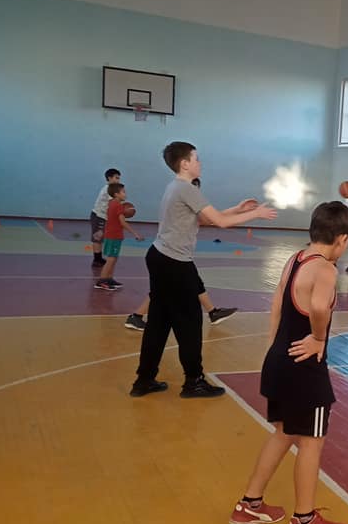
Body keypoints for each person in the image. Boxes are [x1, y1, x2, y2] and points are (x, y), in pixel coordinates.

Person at [228, 201, 348, 524]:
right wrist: (318, 338)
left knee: (284, 432)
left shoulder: (296, 259)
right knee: (312, 442)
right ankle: (304, 521)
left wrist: (273, 348)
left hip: (279, 359)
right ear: (342, 239)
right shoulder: (325, 269)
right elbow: (318, 307)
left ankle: (250, 504)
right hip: (305, 369)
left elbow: (276, 303)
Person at [129, 141, 276, 398]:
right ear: (185, 164)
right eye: (196, 159)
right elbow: (219, 222)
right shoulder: (187, 189)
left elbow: (205, 219)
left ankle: (144, 379)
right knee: (190, 322)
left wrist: (238, 209)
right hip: (174, 263)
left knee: (159, 322)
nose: (200, 163)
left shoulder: (176, 187)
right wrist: (256, 214)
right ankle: (194, 381)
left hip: (159, 257)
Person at [124, 177, 236, 330]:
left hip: (171, 254)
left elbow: (210, 219)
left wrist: (237, 209)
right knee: (171, 289)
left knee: (189, 285)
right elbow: (215, 220)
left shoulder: (182, 199)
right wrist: (252, 213)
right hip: (171, 255)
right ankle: (138, 317)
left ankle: (212, 312)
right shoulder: (184, 200)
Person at [95, 183, 143, 291]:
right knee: (111, 259)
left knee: (113, 258)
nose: (125, 194)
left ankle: (109, 279)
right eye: (123, 192)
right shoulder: (118, 206)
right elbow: (123, 222)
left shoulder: (111, 203)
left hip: (112, 235)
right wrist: (135, 233)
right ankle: (101, 281)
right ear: (116, 194)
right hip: (113, 236)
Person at [89, 168, 121, 269]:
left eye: (119, 178)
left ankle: (98, 258)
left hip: (102, 217)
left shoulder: (111, 189)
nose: (118, 180)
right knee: (97, 238)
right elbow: (114, 204)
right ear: (109, 178)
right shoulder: (108, 190)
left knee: (100, 238)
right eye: (116, 178)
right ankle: (96, 260)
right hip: (98, 216)